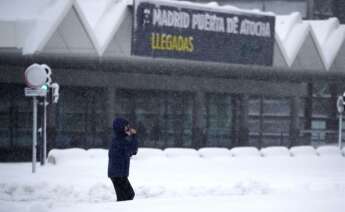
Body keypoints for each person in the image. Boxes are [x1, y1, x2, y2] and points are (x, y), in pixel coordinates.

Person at [108, 117, 138, 201]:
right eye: (126, 126)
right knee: (126, 196)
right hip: (117, 175)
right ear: (120, 128)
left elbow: (132, 151)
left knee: (128, 196)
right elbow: (133, 149)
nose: (128, 128)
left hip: (119, 174)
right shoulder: (118, 141)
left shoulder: (120, 139)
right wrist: (134, 136)